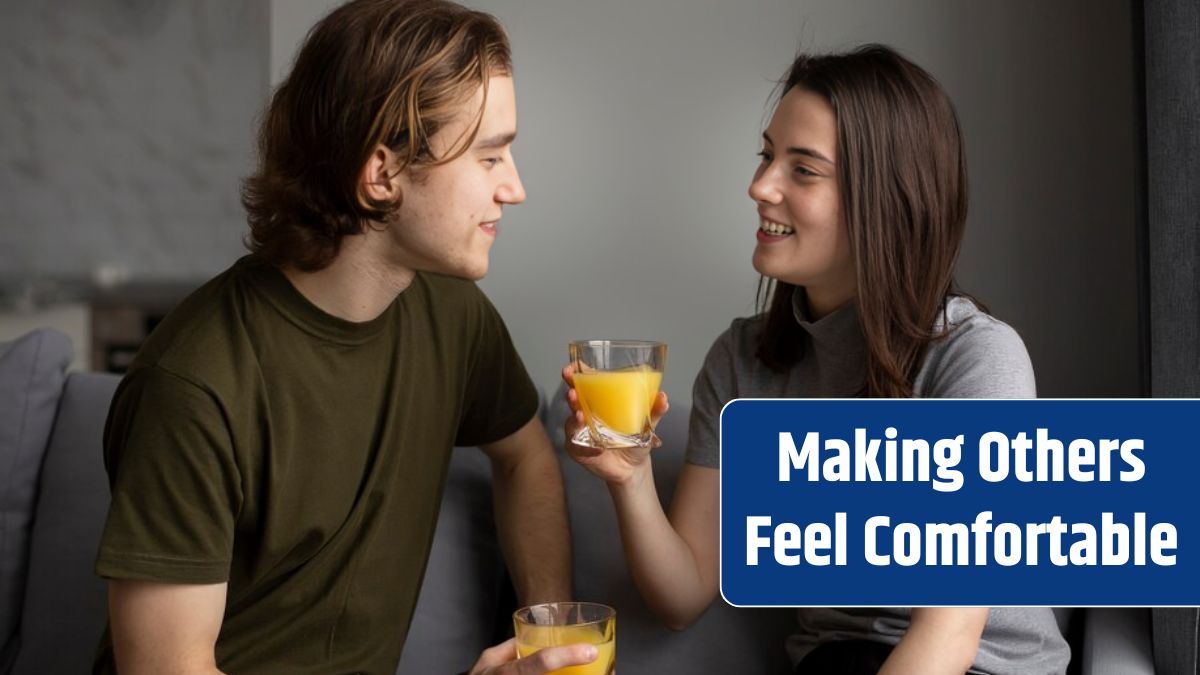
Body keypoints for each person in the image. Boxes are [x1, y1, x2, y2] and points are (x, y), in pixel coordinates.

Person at [92, 1, 596, 673]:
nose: (516, 187)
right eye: (489, 156)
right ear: (383, 173)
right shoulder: (196, 384)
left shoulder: (453, 315)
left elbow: (526, 454)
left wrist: (548, 634)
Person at [562, 45, 1071, 674]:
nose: (759, 186)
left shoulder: (976, 358)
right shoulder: (743, 362)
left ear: (885, 199)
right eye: (767, 156)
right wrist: (631, 477)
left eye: (802, 170)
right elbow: (683, 596)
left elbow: (950, 633)